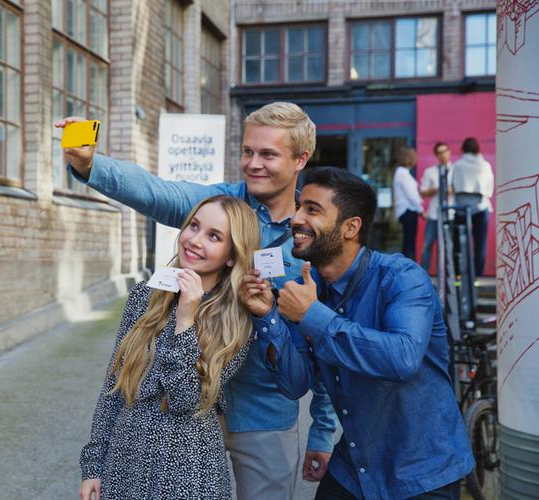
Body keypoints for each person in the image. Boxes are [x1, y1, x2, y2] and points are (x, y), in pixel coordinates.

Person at [59, 102, 338, 500]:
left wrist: (323, 431)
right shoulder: (218, 203)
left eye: (267, 154)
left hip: (262, 415)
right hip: (180, 420)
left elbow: (324, 344)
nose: (253, 163)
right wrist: (91, 165)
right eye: (247, 151)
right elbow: (156, 192)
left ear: (300, 160)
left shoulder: (312, 236)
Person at [241, 167, 475, 499]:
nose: (296, 219)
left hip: (422, 473)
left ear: (351, 227)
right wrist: (267, 316)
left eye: (312, 209)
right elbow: (295, 383)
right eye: (299, 207)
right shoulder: (308, 289)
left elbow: (402, 359)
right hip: (353, 469)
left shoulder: (402, 278)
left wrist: (312, 317)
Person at [79, 195, 309, 500]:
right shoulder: (144, 296)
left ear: (231, 255)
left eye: (214, 236)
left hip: (188, 466)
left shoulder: (237, 318)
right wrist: (93, 465)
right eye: (194, 226)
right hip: (126, 458)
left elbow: (185, 399)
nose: (195, 240)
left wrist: (185, 320)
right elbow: (114, 386)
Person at [451, 137, 494, 277]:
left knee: (457, 243)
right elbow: (489, 189)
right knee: (480, 244)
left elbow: (453, 185)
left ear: (463, 149)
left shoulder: (457, 165)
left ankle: (458, 274)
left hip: (461, 208)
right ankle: (478, 276)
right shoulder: (485, 165)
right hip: (480, 206)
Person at [419, 142, 453, 271]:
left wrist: (449, 190)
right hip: (434, 214)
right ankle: (423, 274)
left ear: (449, 152)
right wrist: (436, 189)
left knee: (447, 247)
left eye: (445, 151)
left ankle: (447, 275)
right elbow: (423, 192)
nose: (443, 154)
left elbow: (459, 189)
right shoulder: (430, 172)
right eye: (439, 152)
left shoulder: (455, 170)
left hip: (450, 214)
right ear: (436, 155)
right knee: (427, 246)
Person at [392, 146, 423, 260]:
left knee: (408, 243)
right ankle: (408, 268)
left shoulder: (401, 172)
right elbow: (412, 196)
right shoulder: (403, 173)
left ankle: (407, 267)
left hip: (405, 211)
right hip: (408, 211)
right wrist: (421, 210)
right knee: (409, 245)